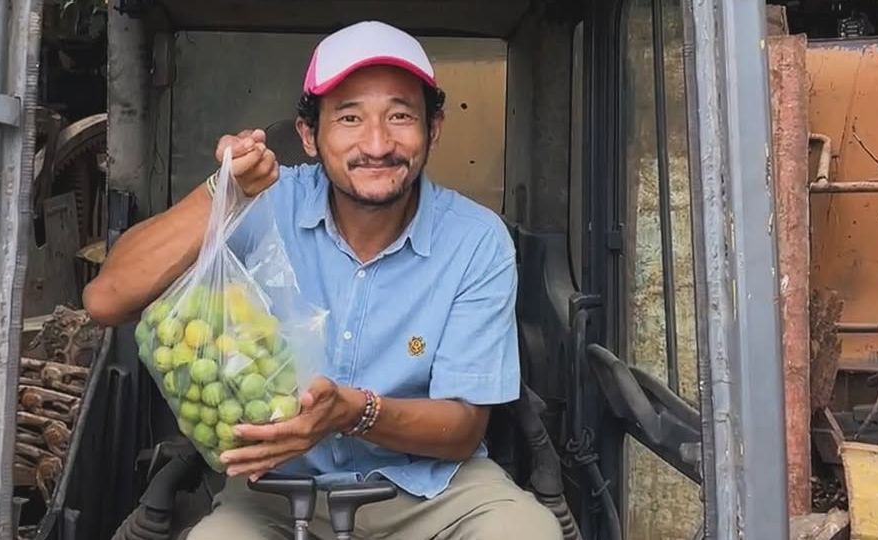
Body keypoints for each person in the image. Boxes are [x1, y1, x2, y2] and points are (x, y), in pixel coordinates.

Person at [83, 20, 563, 540]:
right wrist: (221, 192)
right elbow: (107, 300)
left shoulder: (476, 240)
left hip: (432, 490)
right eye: (350, 117)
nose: (377, 143)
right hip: (272, 488)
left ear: (434, 128)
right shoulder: (264, 203)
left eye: (400, 115)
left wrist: (352, 412)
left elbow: (463, 429)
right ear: (310, 135)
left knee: (527, 531)